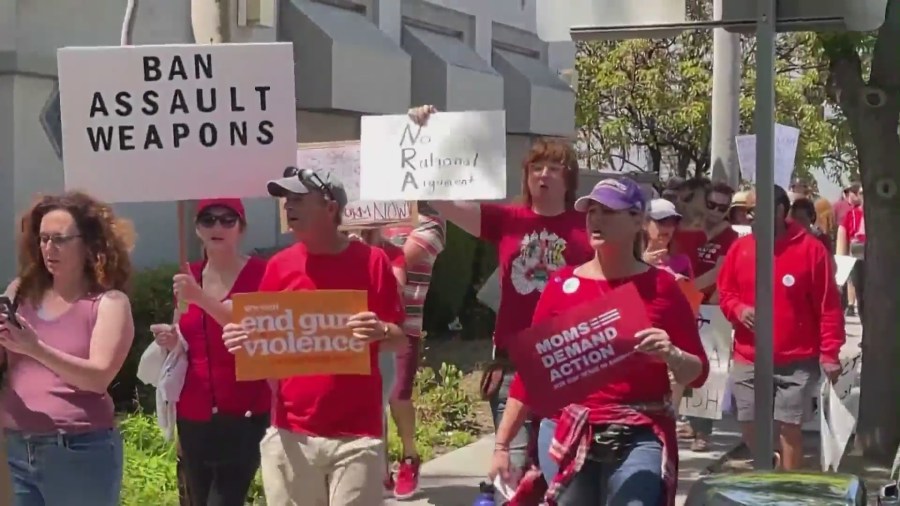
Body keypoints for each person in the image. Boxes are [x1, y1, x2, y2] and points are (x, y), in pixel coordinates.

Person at [490, 178, 709, 504]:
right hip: (568, 429)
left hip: (639, 432)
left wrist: (672, 354)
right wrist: (502, 446)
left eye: (608, 211)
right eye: (592, 210)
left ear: (638, 220)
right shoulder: (561, 284)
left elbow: (698, 372)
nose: (596, 219)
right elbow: (532, 374)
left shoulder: (662, 286)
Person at [407, 105, 593, 475]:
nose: (543, 175)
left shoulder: (588, 226)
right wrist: (426, 131)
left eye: (554, 169)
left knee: (562, 469)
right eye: (536, 168)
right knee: (515, 465)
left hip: (569, 363)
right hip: (512, 361)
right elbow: (439, 198)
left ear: (569, 180)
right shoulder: (506, 220)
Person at [222, 167, 408, 505]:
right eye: (285, 200)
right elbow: (265, 347)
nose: (288, 208)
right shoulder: (278, 266)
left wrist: (380, 330)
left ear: (330, 207)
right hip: (291, 433)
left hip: (357, 437)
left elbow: (400, 338)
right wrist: (245, 342)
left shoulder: (372, 262)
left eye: (298, 199)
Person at [0, 192, 135, 506]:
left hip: (79, 450)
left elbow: (98, 377)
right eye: (43, 239)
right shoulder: (20, 292)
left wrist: (36, 348)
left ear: (89, 245)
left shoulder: (109, 303)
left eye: (59, 239)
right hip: (17, 446)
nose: (49, 249)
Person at [150, 198, 270, 506]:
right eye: (208, 219)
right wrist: (170, 340)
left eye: (227, 220)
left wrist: (199, 297)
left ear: (242, 228)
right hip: (193, 412)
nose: (217, 226)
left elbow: (251, 326)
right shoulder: (188, 274)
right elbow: (184, 334)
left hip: (246, 410)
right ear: (197, 228)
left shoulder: (262, 273)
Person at [718, 184, 845, 471]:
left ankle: (786, 488)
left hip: (797, 361)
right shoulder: (740, 249)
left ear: (778, 211)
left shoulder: (811, 251)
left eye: (754, 211)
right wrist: (738, 309)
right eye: (745, 212)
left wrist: (830, 353)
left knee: (790, 428)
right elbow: (726, 294)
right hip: (749, 357)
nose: (748, 217)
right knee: (750, 425)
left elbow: (828, 306)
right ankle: (770, 466)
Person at [380, 206, 446, 499]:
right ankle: (379, 469)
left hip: (405, 324)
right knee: (369, 397)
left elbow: (398, 261)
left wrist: (361, 240)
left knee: (398, 394)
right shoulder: (373, 211)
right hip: (362, 320)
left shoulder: (432, 223)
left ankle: (409, 457)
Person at [680, 182, 739, 451]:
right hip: (685, 304)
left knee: (710, 369)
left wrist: (686, 290)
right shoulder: (688, 230)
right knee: (683, 362)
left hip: (711, 308)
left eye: (722, 207)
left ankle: (703, 431)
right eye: (711, 204)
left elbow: (718, 273)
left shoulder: (730, 237)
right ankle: (691, 422)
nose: (715, 211)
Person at [355, 228, 407, 494]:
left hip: (379, 346)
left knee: (376, 407)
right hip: (340, 348)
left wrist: (371, 250)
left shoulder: (392, 253)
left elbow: (395, 289)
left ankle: (379, 474)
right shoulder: (334, 248)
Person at [642, 199, 692, 279]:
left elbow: (691, 291)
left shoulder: (682, 262)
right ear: (644, 223)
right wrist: (643, 265)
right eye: (662, 221)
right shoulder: (631, 260)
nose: (668, 227)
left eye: (673, 222)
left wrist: (682, 286)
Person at [836, 185, 866, 319]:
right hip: (857, 256)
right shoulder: (851, 214)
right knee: (860, 292)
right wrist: (840, 266)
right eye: (861, 193)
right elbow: (842, 238)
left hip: (880, 259)